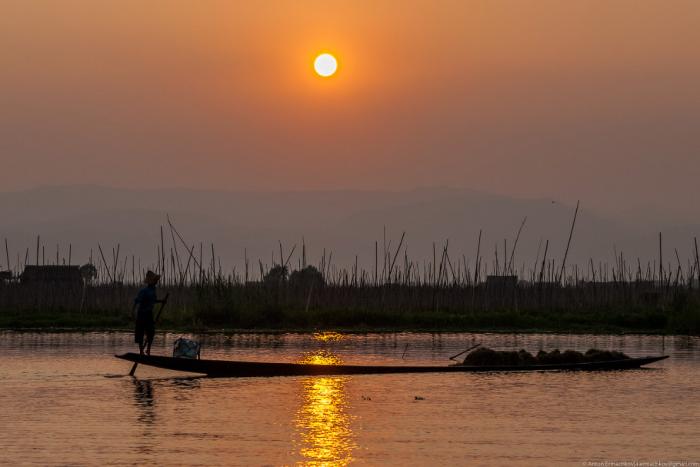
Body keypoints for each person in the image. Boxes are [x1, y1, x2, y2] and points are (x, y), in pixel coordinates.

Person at [134, 270, 166, 355]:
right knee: (140, 332)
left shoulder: (153, 290)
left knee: (151, 332)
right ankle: (141, 351)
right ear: (152, 281)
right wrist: (132, 312)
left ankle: (148, 349)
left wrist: (161, 301)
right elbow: (137, 301)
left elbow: (153, 300)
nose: (156, 282)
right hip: (142, 313)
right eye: (155, 280)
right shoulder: (144, 291)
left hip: (149, 313)